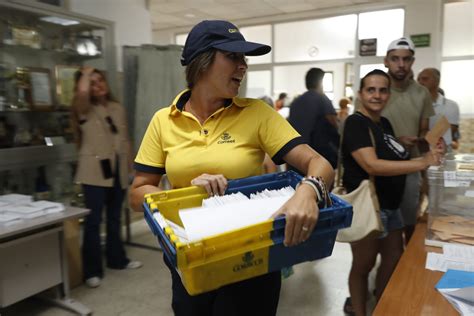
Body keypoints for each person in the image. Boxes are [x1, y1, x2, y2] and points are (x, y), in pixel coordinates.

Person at [129, 20, 334, 316]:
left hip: (250, 258)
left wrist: (307, 192)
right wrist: (185, 194)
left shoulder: (257, 114)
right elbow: (137, 194)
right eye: (234, 57)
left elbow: (320, 164)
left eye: (244, 59)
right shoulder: (164, 120)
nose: (243, 66)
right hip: (192, 258)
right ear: (202, 62)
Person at [342, 69, 442, 316]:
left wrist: (402, 142)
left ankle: (382, 306)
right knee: (363, 265)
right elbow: (371, 164)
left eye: (383, 90)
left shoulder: (383, 123)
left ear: (389, 94)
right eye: (371, 90)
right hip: (368, 207)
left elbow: (384, 148)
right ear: (360, 94)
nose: (377, 95)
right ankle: (359, 310)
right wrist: (422, 162)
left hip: (390, 206)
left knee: (394, 258)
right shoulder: (355, 123)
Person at [356, 37, 435, 244]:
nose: (401, 64)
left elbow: (424, 128)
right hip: (375, 172)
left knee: (407, 221)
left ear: (412, 61)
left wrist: (423, 140)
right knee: (375, 231)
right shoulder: (373, 92)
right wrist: (395, 141)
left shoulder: (422, 93)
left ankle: (405, 264)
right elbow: (362, 130)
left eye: (406, 59)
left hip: (410, 167)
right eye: (395, 59)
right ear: (386, 61)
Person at [72, 66, 142, 289]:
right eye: (92, 83)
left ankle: (117, 259)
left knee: (115, 219)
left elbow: (125, 139)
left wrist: (132, 169)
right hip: (94, 171)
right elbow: (82, 94)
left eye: (100, 80)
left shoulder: (117, 107)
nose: (98, 85)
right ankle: (91, 271)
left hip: (118, 170)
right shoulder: (82, 108)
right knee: (93, 222)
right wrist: (85, 73)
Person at [288, 68, 340, 169]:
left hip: (296, 154)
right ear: (320, 82)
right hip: (318, 157)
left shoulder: (295, 102)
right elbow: (334, 123)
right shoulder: (322, 99)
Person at [417, 67, 460, 151]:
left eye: (425, 79)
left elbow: (445, 136)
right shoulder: (415, 104)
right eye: (418, 79)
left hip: (442, 154)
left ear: (437, 81)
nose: (420, 82)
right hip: (418, 155)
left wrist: (421, 137)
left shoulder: (450, 106)